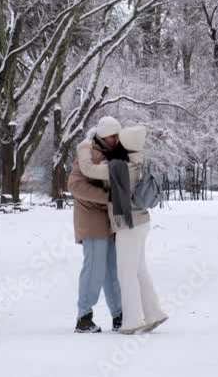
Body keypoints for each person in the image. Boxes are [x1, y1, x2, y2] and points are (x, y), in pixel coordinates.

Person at [80, 125, 167, 335]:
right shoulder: (137, 159)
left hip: (129, 225)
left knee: (125, 274)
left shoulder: (120, 166)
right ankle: (154, 313)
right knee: (139, 270)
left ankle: (133, 321)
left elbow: (88, 169)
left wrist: (83, 147)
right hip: (142, 222)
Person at [68, 116, 123, 333]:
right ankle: (84, 317)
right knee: (94, 270)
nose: (116, 139)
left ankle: (119, 315)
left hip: (109, 221)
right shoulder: (87, 154)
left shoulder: (113, 154)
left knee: (112, 270)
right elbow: (75, 186)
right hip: (91, 221)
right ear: (102, 136)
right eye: (112, 136)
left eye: (118, 135)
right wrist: (107, 196)